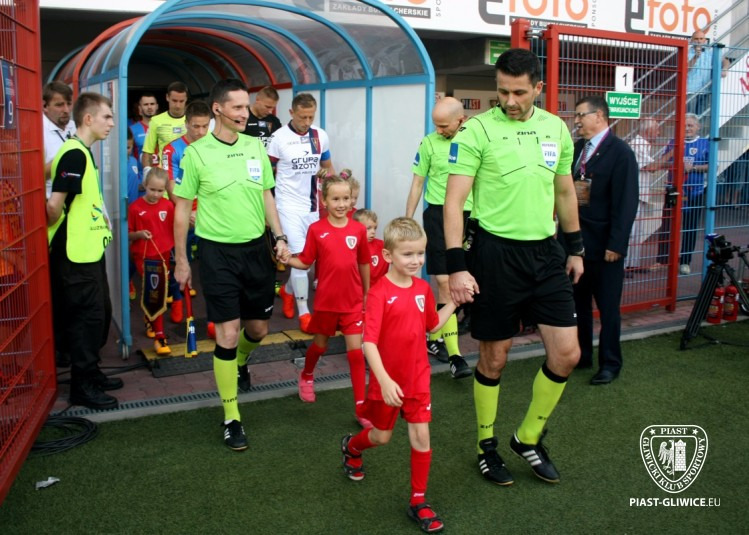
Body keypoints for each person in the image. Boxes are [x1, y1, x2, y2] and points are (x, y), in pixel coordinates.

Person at [444, 48, 583, 486]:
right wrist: (457, 267)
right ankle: (486, 445)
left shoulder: (556, 128)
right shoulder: (477, 130)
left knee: (568, 354)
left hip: (545, 254)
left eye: (519, 92)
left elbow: (564, 192)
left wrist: (575, 248)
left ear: (538, 88)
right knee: (494, 358)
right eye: (503, 91)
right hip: (494, 255)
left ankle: (527, 438)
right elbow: (454, 202)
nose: (509, 101)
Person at [172, 79, 289, 451]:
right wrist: (181, 260)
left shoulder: (255, 146)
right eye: (237, 107)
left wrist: (279, 236)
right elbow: (181, 210)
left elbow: (267, 195)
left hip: (256, 251)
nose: (244, 113)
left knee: (257, 330)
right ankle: (231, 417)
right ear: (218, 109)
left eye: (245, 106)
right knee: (226, 332)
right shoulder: (196, 154)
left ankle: (240, 360)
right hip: (216, 254)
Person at [341, 217, 457, 534]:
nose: (416, 260)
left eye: (420, 253)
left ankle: (418, 501)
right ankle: (352, 447)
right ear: (388, 255)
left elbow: (432, 325)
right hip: (387, 384)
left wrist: (454, 303)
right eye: (408, 254)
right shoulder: (379, 293)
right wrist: (385, 380)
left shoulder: (423, 289)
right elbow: (368, 343)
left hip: (417, 379)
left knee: (421, 437)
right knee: (381, 437)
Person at [47, 92, 122, 410]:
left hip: (87, 251)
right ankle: (82, 386)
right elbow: (54, 207)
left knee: (99, 313)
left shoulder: (82, 152)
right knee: (85, 319)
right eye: (107, 117)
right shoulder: (75, 154)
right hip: (73, 255)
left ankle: (91, 373)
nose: (112, 123)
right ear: (88, 119)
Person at [283, 174, 370, 427]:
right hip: (326, 303)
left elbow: (364, 262)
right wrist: (287, 259)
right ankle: (307, 374)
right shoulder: (317, 230)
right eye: (336, 199)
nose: (341, 204)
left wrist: (367, 294)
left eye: (346, 199)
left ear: (352, 200)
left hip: (352, 303)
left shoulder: (358, 229)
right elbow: (305, 261)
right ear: (324, 201)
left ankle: (361, 408)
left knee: (356, 354)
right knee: (319, 346)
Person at [569, 96, 639, 384]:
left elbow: (626, 202)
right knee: (579, 304)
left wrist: (616, 245)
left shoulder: (621, 152)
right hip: (578, 246)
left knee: (608, 308)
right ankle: (582, 355)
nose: (576, 121)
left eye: (580, 115)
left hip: (606, 247)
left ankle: (610, 363)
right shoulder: (577, 149)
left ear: (599, 116)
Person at [406, 96, 472, 379]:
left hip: (471, 217)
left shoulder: (474, 141)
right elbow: (417, 183)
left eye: (444, 126)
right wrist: (408, 221)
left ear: (461, 120)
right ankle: (456, 357)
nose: (439, 130)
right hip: (437, 216)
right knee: (445, 282)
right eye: (436, 125)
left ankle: (434, 337)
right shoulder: (429, 143)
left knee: (466, 283)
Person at [267, 93, 334, 332]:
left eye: (311, 117)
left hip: (312, 207)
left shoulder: (320, 135)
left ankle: (287, 291)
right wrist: (267, 210)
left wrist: (328, 178)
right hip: (287, 206)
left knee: (309, 260)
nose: (306, 122)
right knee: (301, 259)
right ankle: (305, 313)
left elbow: (328, 168)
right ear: (291, 113)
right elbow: (266, 175)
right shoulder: (278, 138)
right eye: (302, 117)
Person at [127, 168, 175, 356]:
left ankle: (151, 320)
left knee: (157, 292)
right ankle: (160, 336)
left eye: (160, 190)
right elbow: (128, 234)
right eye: (152, 189)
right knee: (155, 292)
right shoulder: (135, 208)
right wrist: (139, 234)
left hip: (164, 255)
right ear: (144, 185)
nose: (155, 194)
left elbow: (175, 228)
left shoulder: (168, 206)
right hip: (144, 257)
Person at [668, 113, 710, 275]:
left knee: (690, 228)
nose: (687, 128)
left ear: (698, 127)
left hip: (695, 193)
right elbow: (665, 162)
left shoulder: (705, 143)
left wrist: (693, 168)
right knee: (670, 225)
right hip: (674, 191)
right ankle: (666, 260)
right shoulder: (673, 142)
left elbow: (712, 165)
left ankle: (685, 261)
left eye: (690, 125)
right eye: (684, 125)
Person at [626, 118, 662, 273]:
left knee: (637, 232)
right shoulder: (637, 145)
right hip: (634, 193)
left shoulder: (643, 145)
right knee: (631, 231)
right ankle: (625, 265)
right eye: (657, 129)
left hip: (640, 193)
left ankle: (633, 264)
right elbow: (652, 167)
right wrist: (671, 154)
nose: (659, 133)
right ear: (648, 131)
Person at [141, 81, 189, 176]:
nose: (178, 105)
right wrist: (147, 173)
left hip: (189, 173)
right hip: (166, 175)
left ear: (186, 99)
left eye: (181, 101)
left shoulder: (194, 120)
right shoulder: (156, 121)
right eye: (174, 101)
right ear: (167, 97)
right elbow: (147, 152)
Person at [42, 81, 76, 198]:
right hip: (50, 201)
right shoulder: (37, 131)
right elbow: (35, 176)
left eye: (69, 103)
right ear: (45, 106)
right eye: (59, 105)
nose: (66, 110)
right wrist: (67, 158)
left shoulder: (73, 126)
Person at [687, 29, 730, 115]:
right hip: (691, 90)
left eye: (701, 38)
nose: (699, 41)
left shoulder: (710, 52)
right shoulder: (687, 52)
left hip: (706, 90)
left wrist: (725, 69)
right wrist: (695, 57)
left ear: (705, 41)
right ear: (691, 40)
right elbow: (687, 68)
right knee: (690, 117)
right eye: (696, 39)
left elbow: (725, 61)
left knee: (702, 117)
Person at [353, 209, 388, 288]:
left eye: (375, 228)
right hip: (359, 290)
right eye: (368, 228)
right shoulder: (353, 247)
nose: (373, 232)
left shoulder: (383, 245)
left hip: (379, 289)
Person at [130, 92, 159, 174]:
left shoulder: (165, 127)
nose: (149, 107)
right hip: (142, 176)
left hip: (163, 177)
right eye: (146, 104)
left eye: (152, 104)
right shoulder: (132, 130)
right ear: (140, 108)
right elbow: (128, 158)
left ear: (157, 106)